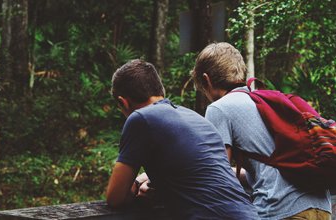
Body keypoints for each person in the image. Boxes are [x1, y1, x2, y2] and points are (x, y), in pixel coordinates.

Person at [192, 42, 332, 220]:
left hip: (281, 210)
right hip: (321, 208)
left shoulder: (219, 109)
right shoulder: (264, 102)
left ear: (206, 79)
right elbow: (267, 166)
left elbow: (217, 174)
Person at [106, 59, 259, 219]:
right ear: (160, 91)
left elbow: (115, 198)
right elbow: (198, 172)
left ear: (123, 102)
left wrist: (136, 183)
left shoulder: (140, 118)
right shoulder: (196, 119)